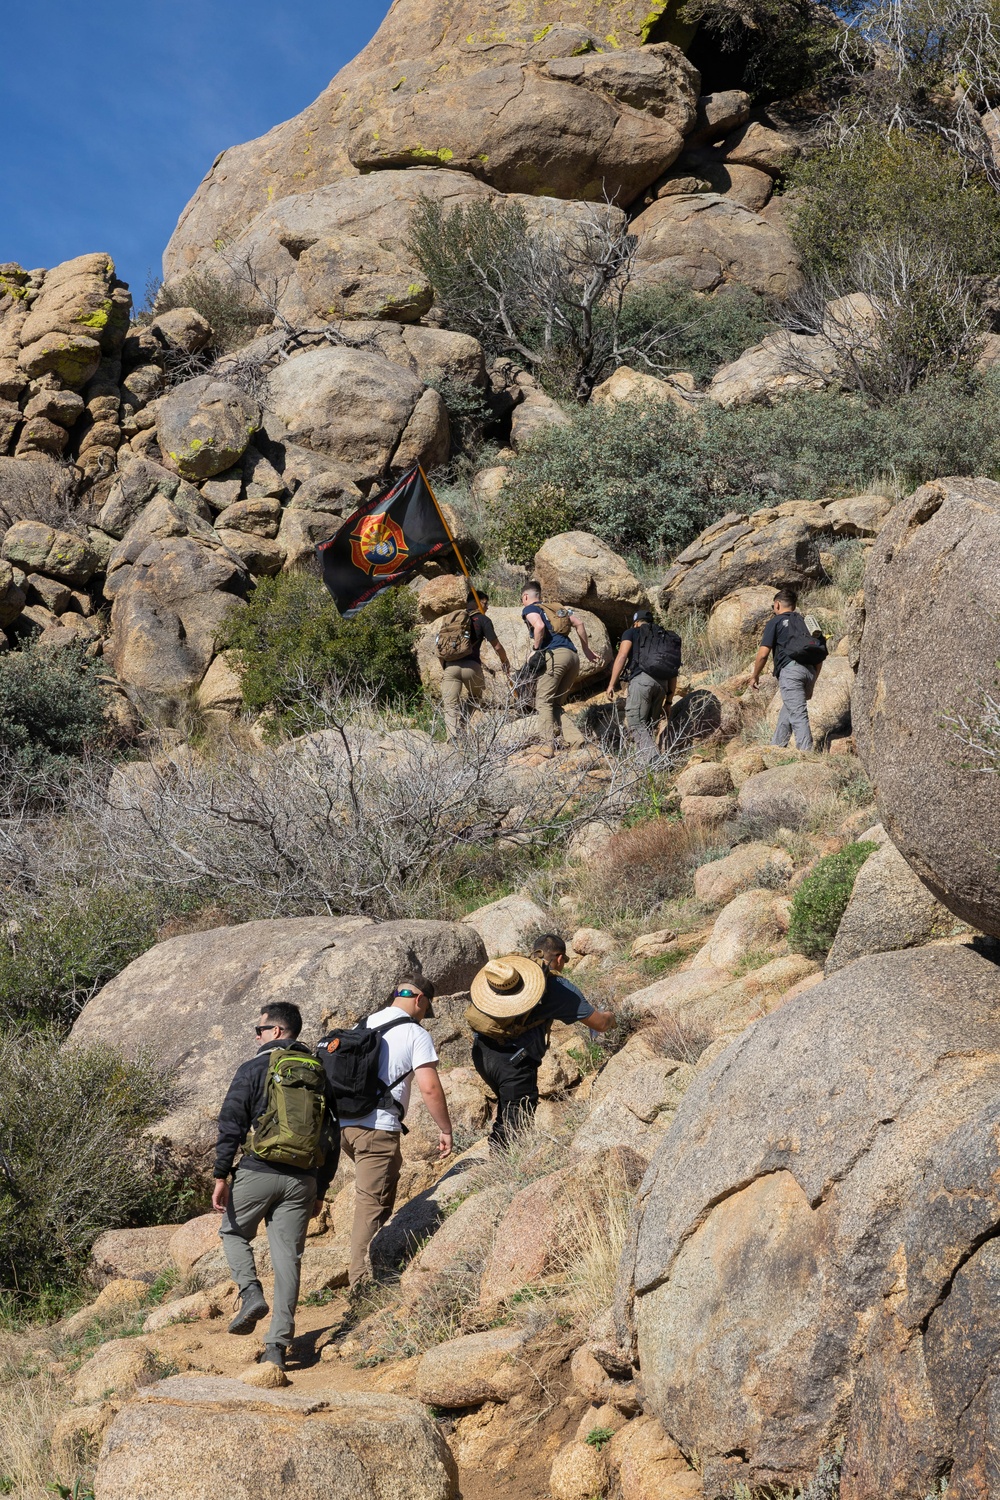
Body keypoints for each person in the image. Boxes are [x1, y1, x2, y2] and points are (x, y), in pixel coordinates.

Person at [212, 1001, 339, 1372]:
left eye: (260, 1029)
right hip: (303, 1179)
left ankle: (251, 1293)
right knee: (288, 1260)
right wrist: (321, 1187)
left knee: (234, 1233)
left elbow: (231, 1123)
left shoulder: (254, 1068)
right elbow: (332, 1133)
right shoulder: (317, 1070)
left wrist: (220, 1175)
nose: (257, 1036)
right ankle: (276, 1348)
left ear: (277, 1031)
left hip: (258, 1170)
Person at [338, 975, 454, 1290]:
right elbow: (429, 1088)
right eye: (425, 1009)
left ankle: (380, 1266)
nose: (423, 1015)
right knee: (371, 1206)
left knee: (383, 1189)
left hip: (345, 1126)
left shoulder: (364, 1024)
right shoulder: (415, 1033)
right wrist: (445, 1128)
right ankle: (362, 1285)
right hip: (377, 1128)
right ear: (420, 1000)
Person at [469, 936, 615, 1151]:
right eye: (564, 960)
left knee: (507, 1109)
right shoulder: (558, 988)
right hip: (514, 1063)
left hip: (481, 1052)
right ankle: (504, 1164)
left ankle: (497, 1152)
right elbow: (600, 1024)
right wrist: (611, 1016)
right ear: (559, 958)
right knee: (516, 1125)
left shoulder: (512, 973)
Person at [521, 582, 598, 757]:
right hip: (573, 657)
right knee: (555, 704)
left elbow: (539, 626)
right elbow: (579, 623)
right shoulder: (556, 608)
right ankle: (577, 741)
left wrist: (535, 649)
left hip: (555, 656)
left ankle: (546, 746)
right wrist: (586, 650)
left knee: (543, 701)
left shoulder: (529, 609)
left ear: (525, 597)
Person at [749, 587, 825, 752]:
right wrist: (812, 682)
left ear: (777, 605)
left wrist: (755, 675)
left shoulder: (775, 622)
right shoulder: (806, 622)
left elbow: (763, 654)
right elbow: (819, 654)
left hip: (791, 673)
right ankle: (777, 748)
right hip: (810, 671)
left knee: (798, 714)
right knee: (789, 709)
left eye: (773, 607)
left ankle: (807, 753)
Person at [607, 609, 681, 761]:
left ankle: (655, 761)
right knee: (648, 727)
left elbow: (622, 656)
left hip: (641, 681)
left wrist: (611, 684)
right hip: (662, 685)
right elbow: (673, 671)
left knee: (636, 724)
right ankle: (646, 766)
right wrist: (668, 701)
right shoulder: (664, 637)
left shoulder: (631, 632)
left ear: (636, 623)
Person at [439, 591, 511, 739]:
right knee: (475, 696)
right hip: (471, 667)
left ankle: (452, 738)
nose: (487, 607)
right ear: (477, 602)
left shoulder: (452, 620)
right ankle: (462, 725)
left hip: (450, 667)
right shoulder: (483, 620)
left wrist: (446, 667)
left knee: (450, 705)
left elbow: (439, 649)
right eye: (485, 603)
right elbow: (497, 647)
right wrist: (505, 662)